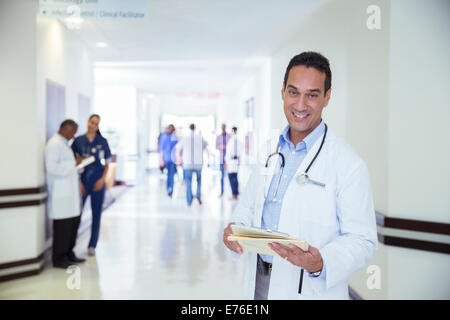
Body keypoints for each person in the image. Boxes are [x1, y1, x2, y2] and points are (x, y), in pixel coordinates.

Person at [222, 51, 378, 299]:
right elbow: (248, 207)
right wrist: (233, 229)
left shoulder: (349, 164)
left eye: (312, 95)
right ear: (283, 91)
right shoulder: (268, 150)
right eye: (294, 92)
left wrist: (320, 262)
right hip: (259, 280)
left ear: (327, 97)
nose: (301, 105)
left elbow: (363, 239)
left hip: (308, 289)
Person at [45, 119, 86, 268]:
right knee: (63, 229)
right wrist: (73, 163)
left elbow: (70, 167)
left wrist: (80, 164)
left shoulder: (63, 144)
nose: (74, 136)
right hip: (61, 196)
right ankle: (59, 258)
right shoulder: (54, 144)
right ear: (65, 129)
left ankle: (69, 253)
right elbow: (51, 168)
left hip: (70, 194)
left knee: (72, 226)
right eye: (73, 132)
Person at [71, 114, 112, 256]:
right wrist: (80, 183)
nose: (93, 125)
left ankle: (92, 245)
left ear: (98, 126)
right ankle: (71, 244)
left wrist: (102, 180)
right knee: (76, 213)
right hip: (83, 181)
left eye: (96, 123)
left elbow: (107, 163)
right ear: (87, 122)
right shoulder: (78, 141)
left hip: (98, 181)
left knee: (96, 214)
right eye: (91, 122)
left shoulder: (102, 141)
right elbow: (72, 162)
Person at [176, 124, 209, 206]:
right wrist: (208, 161)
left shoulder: (185, 138)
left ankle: (189, 200)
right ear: (195, 128)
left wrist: (179, 160)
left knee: (188, 182)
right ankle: (198, 194)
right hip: (198, 163)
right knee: (199, 181)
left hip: (187, 163)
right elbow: (207, 149)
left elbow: (178, 149)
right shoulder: (200, 138)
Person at [159, 124, 179, 197]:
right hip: (173, 159)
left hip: (166, 159)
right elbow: (177, 150)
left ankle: (168, 188)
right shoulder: (174, 137)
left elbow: (161, 149)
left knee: (168, 175)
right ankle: (171, 189)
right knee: (171, 175)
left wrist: (161, 160)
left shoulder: (163, 137)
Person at [225, 126, 242, 200]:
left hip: (232, 161)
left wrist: (226, 161)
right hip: (236, 160)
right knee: (235, 177)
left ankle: (234, 194)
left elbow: (229, 152)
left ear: (233, 131)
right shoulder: (237, 140)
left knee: (232, 177)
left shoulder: (232, 140)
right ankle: (235, 194)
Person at [216, 123, 230, 197]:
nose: (223, 128)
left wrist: (226, 148)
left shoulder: (229, 136)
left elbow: (231, 146)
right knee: (221, 176)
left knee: (229, 176)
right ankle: (222, 191)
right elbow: (216, 146)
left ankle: (229, 192)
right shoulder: (218, 137)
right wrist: (220, 147)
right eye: (222, 127)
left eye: (224, 127)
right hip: (221, 159)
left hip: (228, 160)